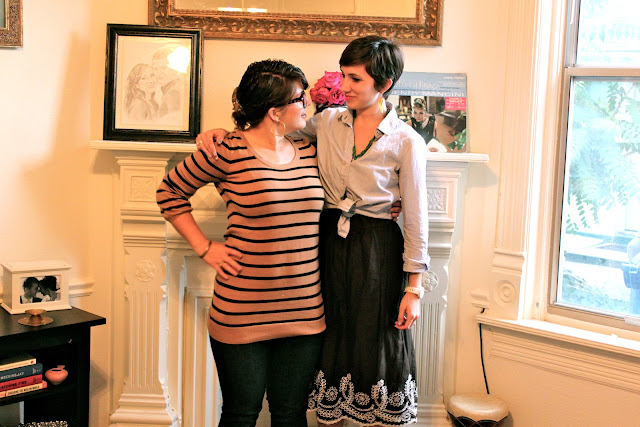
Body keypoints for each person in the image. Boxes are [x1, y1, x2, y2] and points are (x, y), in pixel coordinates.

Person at [197, 35, 430, 426]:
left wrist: (414, 288)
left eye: (355, 79)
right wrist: (223, 132)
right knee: (329, 350)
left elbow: (417, 219)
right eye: (343, 75)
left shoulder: (407, 141)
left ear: (384, 84)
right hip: (326, 247)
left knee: (374, 346)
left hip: (376, 250)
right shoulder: (326, 122)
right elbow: (271, 133)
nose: (345, 86)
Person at [157, 59, 326, 426]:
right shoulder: (228, 151)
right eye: (300, 99)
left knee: (291, 414)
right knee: (241, 414)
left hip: (305, 312)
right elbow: (169, 192)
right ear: (275, 111)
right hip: (241, 310)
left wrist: (390, 204)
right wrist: (204, 247)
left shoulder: (310, 148)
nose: (307, 105)